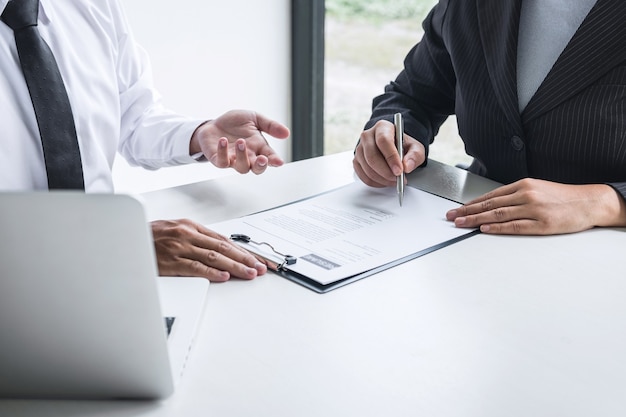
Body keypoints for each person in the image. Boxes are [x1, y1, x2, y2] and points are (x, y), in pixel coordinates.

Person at [0, 0, 290, 281]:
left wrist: (199, 134)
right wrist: (114, 245)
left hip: (109, 280)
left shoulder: (94, 5)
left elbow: (134, 115)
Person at [353, 0, 626, 235]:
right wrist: (393, 131)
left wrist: (603, 202)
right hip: (472, 239)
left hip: (602, 254)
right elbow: (414, 96)